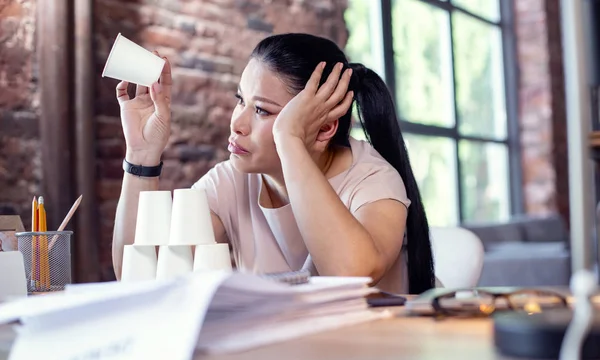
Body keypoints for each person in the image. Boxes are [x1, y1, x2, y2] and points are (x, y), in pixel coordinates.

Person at [112, 33, 436, 294]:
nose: (237, 123)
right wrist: (142, 157)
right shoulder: (231, 180)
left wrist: (289, 139)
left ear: (324, 128)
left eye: (262, 111)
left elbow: (350, 274)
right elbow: (143, 275)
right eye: (241, 100)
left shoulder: (372, 178)